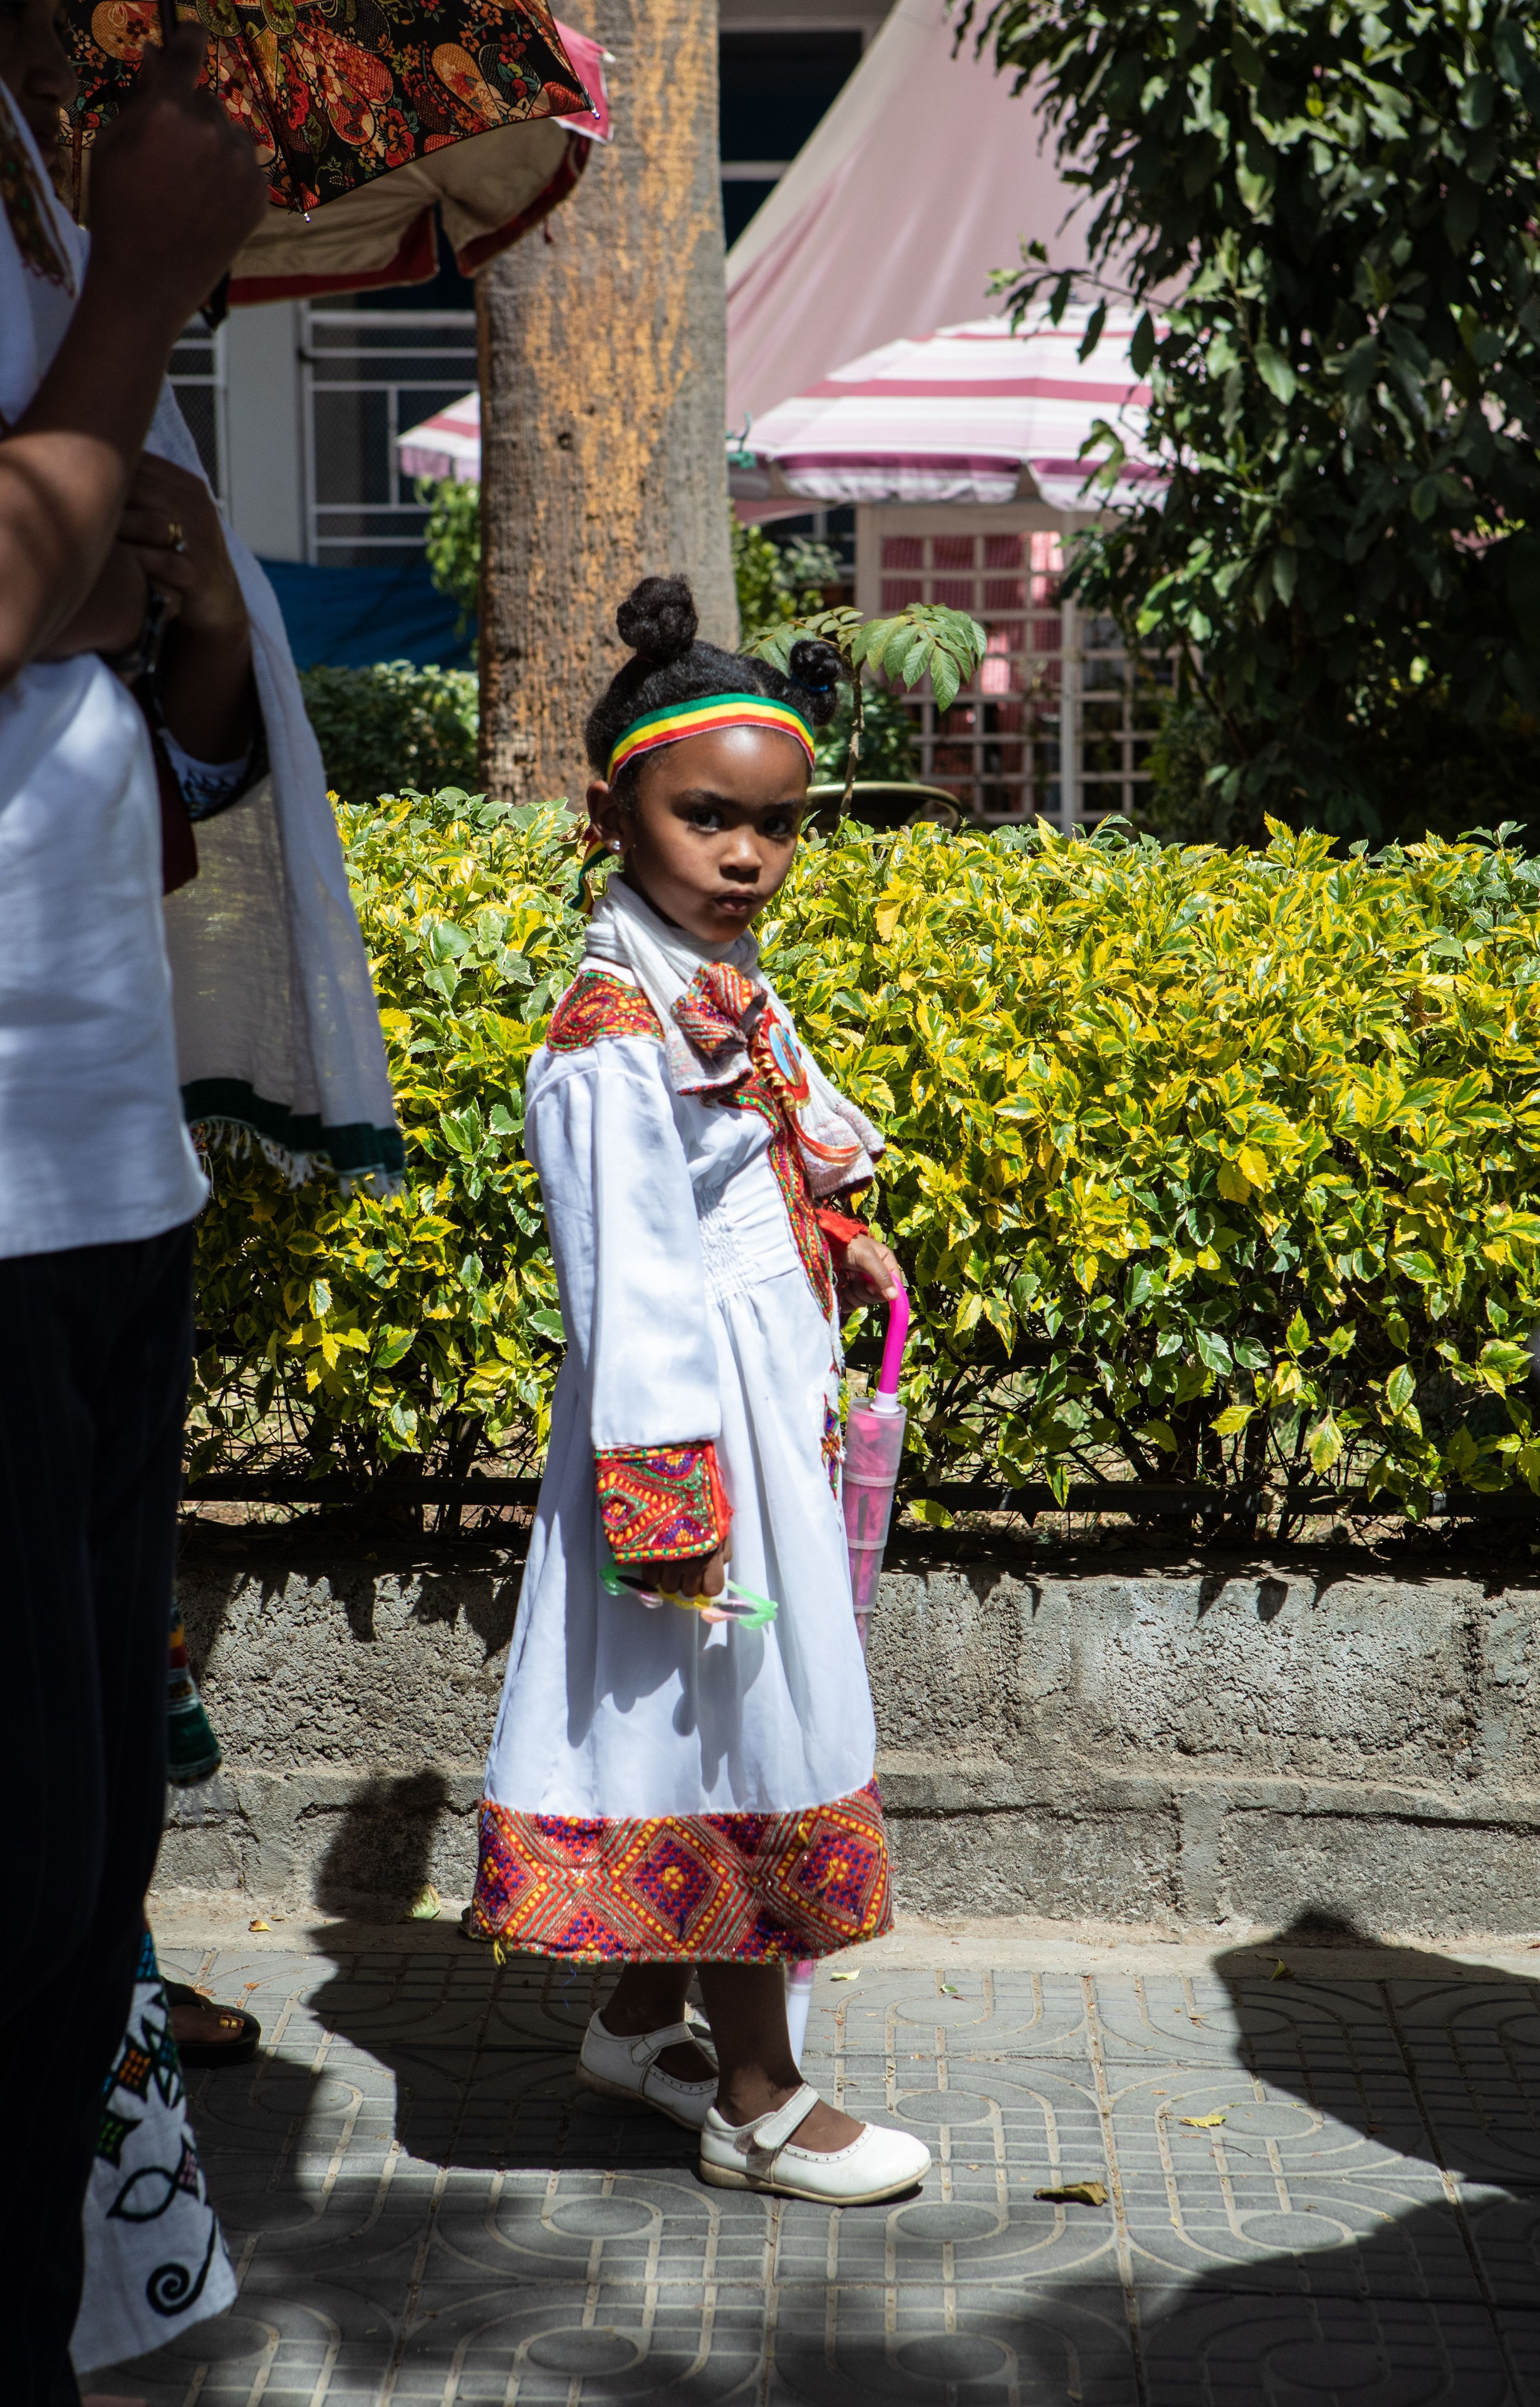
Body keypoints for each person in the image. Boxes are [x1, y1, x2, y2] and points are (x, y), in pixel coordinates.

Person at [0, 13, 393, 2398]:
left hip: (94, 1161)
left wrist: (185, 623)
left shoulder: (36, 171)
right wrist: (148, 280)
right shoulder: (99, 225)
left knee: (82, 1886)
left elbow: (111, 703)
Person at [467, 577, 931, 2208]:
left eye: (777, 825)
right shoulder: (610, 1032)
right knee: (736, 1719)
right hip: (685, 1441)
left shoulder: (710, 982)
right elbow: (632, 1280)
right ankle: (756, 2097)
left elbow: (761, 1152)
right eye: (707, 818)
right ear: (612, 817)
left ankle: (636, 2020)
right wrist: (673, 1501)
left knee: (702, 1713)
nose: (746, 854)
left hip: (751, 1403)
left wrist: (834, 1231)